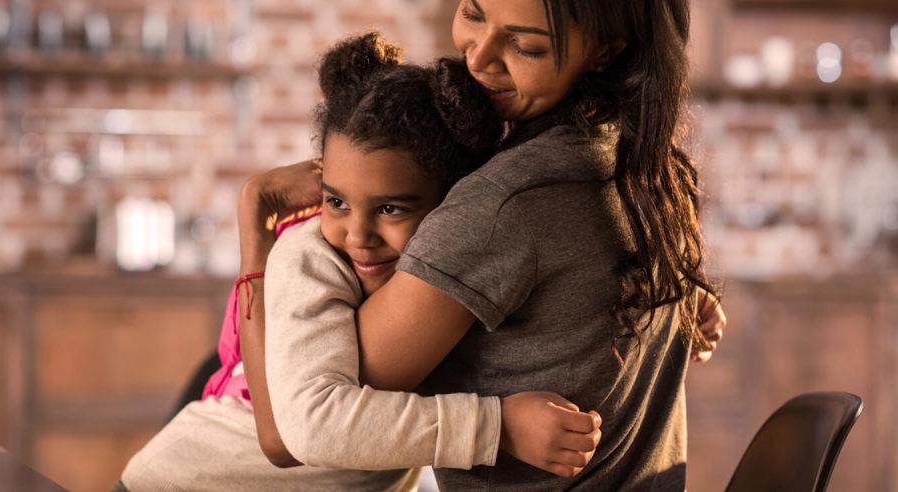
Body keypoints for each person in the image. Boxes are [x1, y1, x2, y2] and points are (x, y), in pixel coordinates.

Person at [238, 0, 727, 490]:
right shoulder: (647, 168)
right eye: (473, 13)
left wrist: (256, 219)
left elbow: (293, 433)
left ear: (606, 48)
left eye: (526, 45)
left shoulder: (502, 207)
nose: (480, 59)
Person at [118, 32, 601, 492]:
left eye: (390, 208)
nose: (357, 235)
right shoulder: (307, 256)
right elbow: (301, 432)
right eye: (337, 202)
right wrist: (498, 427)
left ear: (453, 206)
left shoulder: (454, 263)